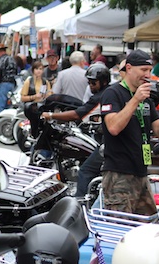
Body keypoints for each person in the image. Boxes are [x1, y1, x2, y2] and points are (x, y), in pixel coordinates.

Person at [98, 49, 159, 215]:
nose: (147, 75)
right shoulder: (113, 93)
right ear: (129, 68)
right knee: (120, 229)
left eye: (149, 70)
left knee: (147, 229)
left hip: (141, 173)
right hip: (119, 174)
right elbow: (113, 128)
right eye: (143, 70)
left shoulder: (145, 95)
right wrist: (135, 100)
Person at [42, 63, 112, 196]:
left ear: (103, 82)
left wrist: (51, 115)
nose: (91, 86)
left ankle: (80, 204)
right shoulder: (109, 91)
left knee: (85, 171)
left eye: (94, 83)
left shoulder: (100, 96)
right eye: (89, 82)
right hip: (106, 138)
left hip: (109, 143)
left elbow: (77, 114)